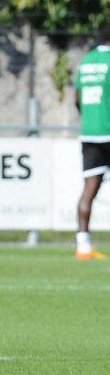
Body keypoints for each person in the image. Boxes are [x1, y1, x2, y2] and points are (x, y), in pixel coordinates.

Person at [75, 44, 110, 260]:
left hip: (89, 133)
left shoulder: (86, 61)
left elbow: (76, 99)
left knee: (89, 189)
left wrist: (90, 119)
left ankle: (83, 246)